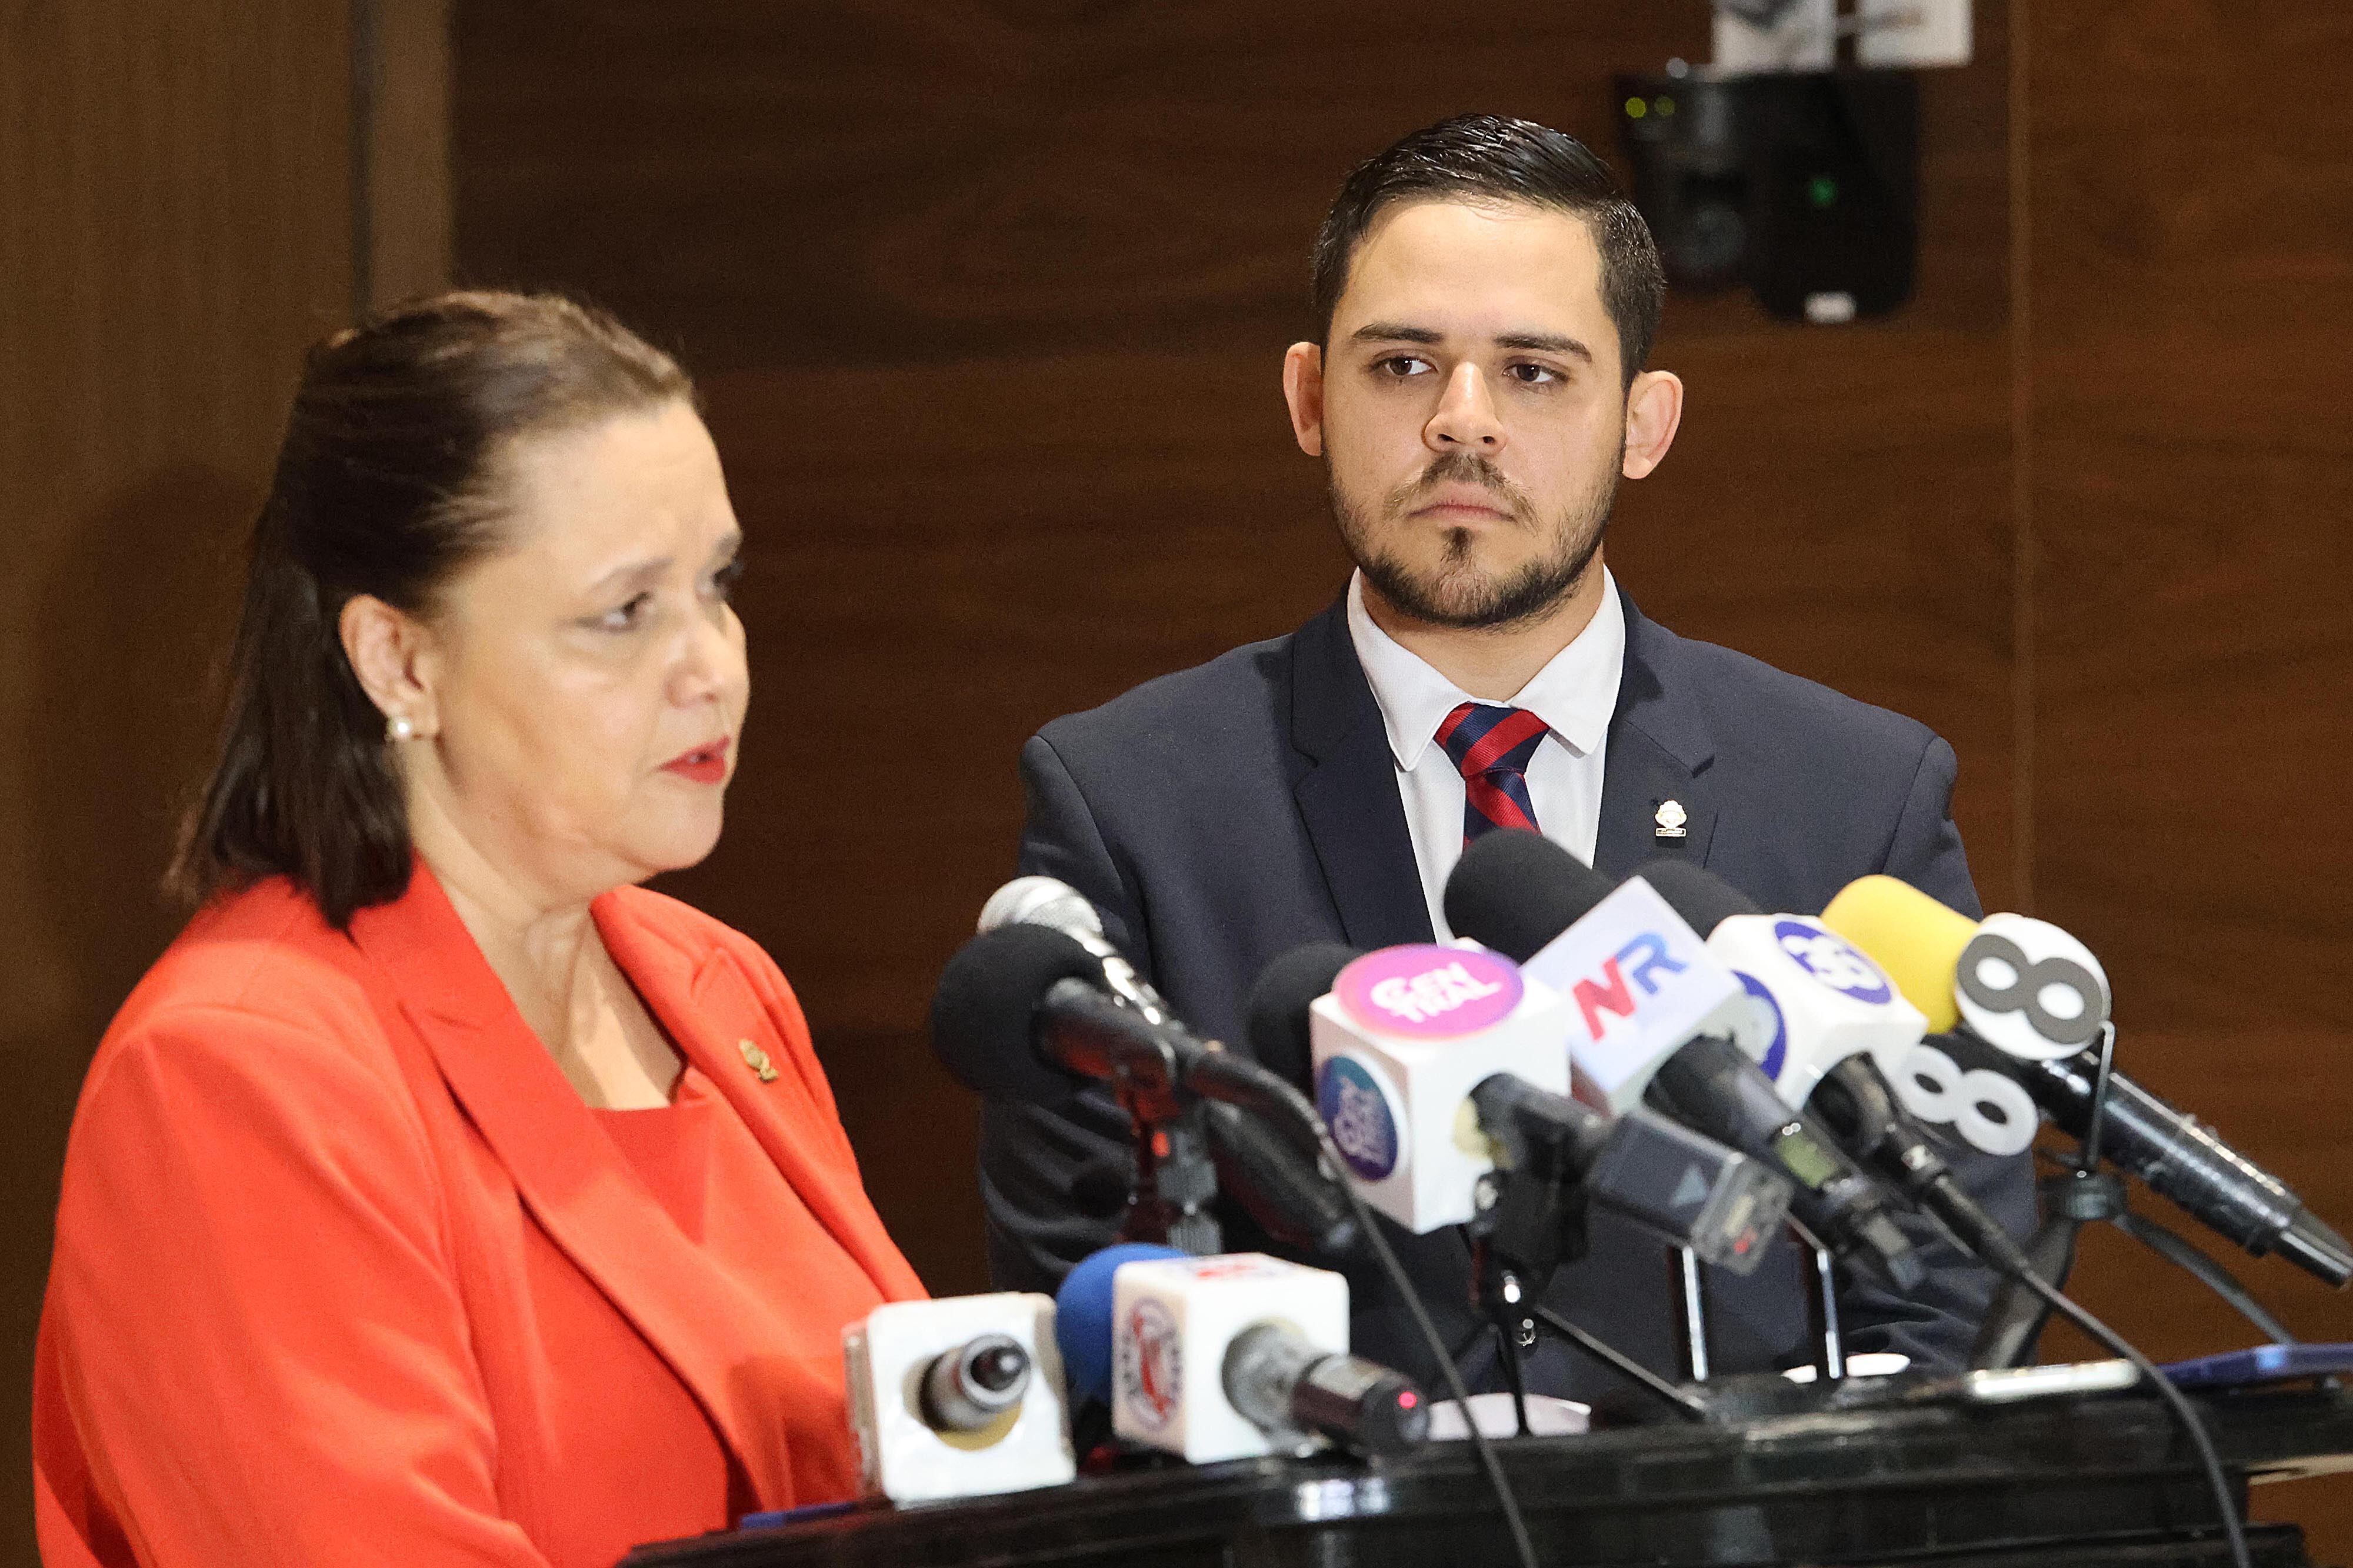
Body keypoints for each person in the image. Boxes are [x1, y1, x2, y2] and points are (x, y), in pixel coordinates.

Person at [981, 115, 2033, 1401]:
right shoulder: (1129, 799)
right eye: (1403, 366)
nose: (1458, 423)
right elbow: (1087, 1292)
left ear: (1642, 424)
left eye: (1532, 373)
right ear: (1310, 400)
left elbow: (1944, 1286)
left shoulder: (1857, 796)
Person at [34, 292, 924, 1568]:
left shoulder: (718, 987)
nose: (710, 664)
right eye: (623, 612)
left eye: (716, 585)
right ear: (399, 660)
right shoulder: (238, 1074)